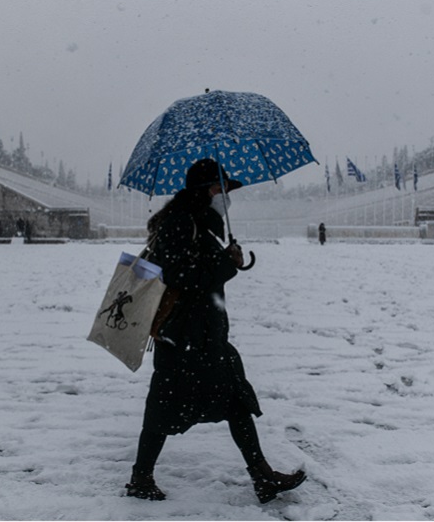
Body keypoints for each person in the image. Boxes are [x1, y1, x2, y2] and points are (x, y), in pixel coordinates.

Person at [126, 158, 306, 504]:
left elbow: (198, 269)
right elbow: (180, 275)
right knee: (163, 408)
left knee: (234, 400)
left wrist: (226, 259)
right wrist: (226, 263)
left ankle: (262, 476)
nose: (225, 196)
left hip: (204, 337)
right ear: (204, 191)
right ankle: (141, 477)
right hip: (184, 339)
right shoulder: (180, 223)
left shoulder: (199, 222)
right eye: (220, 189)